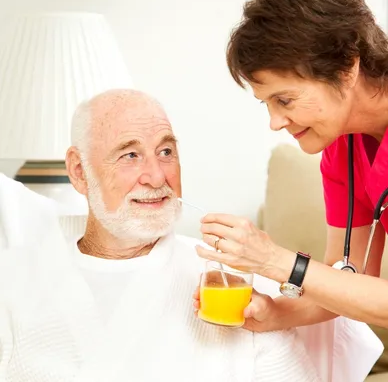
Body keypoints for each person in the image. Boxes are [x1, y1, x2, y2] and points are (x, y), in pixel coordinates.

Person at [0, 88, 323, 381]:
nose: (157, 177)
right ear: (79, 171)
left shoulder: (239, 287)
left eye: (166, 152)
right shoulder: (16, 282)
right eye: (130, 155)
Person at [194, 0, 388, 333]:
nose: (275, 122)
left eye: (285, 99)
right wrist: (275, 314)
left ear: (347, 67)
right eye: (267, 104)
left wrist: (275, 260)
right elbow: (346, 277)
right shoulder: (342, 147)